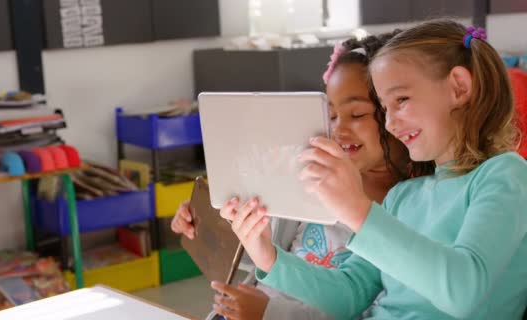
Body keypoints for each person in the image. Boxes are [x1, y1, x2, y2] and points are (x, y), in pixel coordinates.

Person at [221, 19, 527, 320]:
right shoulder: (403, 197)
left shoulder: (505, 174)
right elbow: (349, 295)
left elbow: (463, 291)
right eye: (385, 107)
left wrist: (357, 209)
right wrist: (268, 256)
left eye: (401, 100)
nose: (390, 124)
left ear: (459, 87)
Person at [172, 31, 429, 320]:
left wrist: (270, 313)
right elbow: (262, 252)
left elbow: (364, 307)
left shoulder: (411, 211)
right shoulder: (311, 180)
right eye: (330, 115)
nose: (339, 129)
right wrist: (209, 222)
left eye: (357, 114)